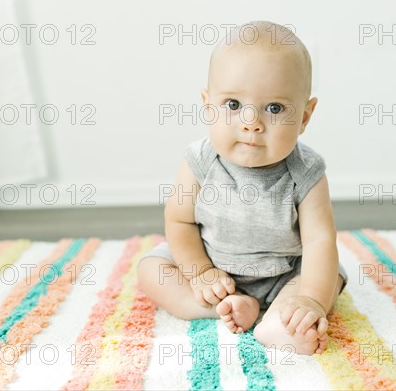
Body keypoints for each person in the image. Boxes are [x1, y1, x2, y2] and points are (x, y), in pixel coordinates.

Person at [138, 21, 348, 355]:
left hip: (283, 275)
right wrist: (201, 273)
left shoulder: (306, 172)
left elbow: (320, 240)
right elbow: (180, 222)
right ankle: (222, 307)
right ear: (208, 105)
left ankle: (281, 318)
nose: (251, 122)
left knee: (328, 277)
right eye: (233, 104)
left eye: (275, 108)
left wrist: (310, 297)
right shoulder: (199, 160)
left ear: (305, 116)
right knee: (151, 271)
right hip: (212, 267)